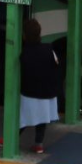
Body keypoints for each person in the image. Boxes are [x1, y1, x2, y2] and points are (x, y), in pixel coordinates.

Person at [19, 19, 60, 154]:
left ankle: (10, 139)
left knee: (21, 118)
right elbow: (56, 66)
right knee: (42, 119)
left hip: (29, 93)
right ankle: (39, 144)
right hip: (48, 94)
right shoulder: (49, 49)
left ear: (24, 35)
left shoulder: (24, 53)